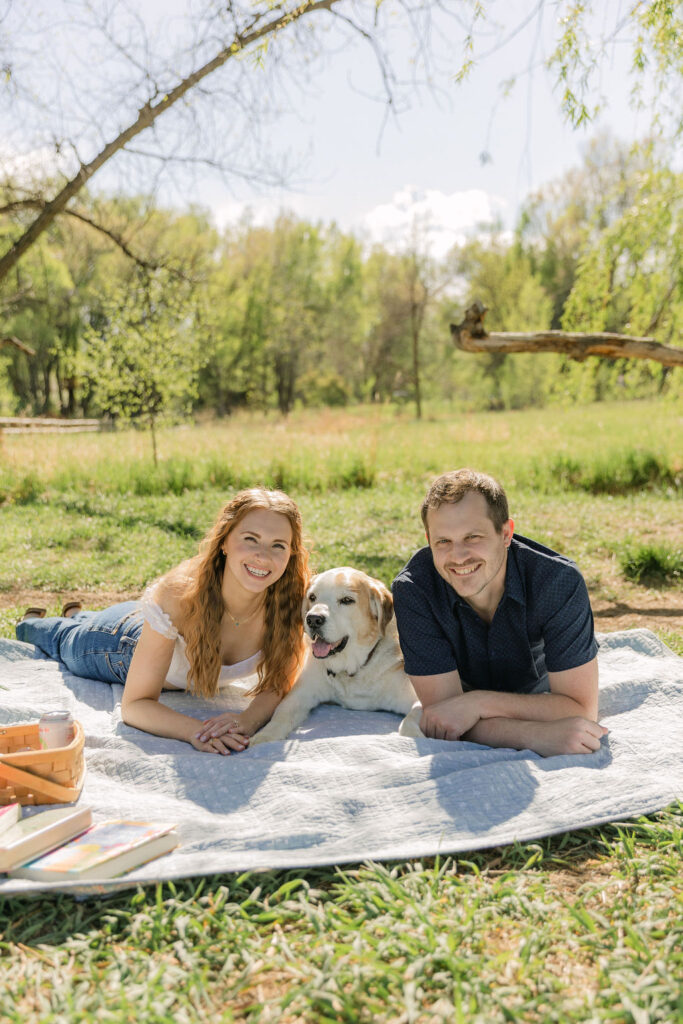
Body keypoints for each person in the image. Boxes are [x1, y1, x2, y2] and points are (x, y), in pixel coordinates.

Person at [17, 488, 309, 755]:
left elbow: (280, 683)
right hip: (118, 644)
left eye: (278, 545)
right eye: (250, 539)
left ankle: (76, 613)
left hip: (149, 627)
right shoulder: (178, 596)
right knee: (63, 638)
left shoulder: (295, 602)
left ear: (291, 552)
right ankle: (31, 621)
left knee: (84, 621)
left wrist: (245, 721)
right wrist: (197, 731)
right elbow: (134, 706)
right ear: (224, 542)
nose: (263, 556)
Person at [392, 469, 607, 757]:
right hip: (524, 710)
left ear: (505, 533)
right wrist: (535, 735)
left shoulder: (557, 582)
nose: (458, 556)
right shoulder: (414, 590)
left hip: (540, 690)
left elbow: (580, 709)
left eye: (473, 536)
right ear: (429, 539)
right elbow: (444, 717)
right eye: (443, 541)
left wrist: (477, 704)